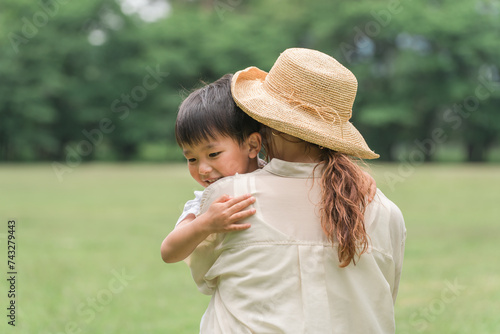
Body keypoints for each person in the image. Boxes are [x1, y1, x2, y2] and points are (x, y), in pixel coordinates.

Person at [186, 48, 407, 333]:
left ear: (269, 123)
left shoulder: (231, 197)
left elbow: (204, 278)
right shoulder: (383, 207)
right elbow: (384, 297)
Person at [161, 73, 377, 264]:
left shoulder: (276, 171)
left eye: (213, 154)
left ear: (253, 145)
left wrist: (357, 176)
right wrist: (204, 223)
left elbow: (314, 170)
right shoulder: (207, 202)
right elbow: (168, 252)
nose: (203, 169)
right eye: (191, 159)